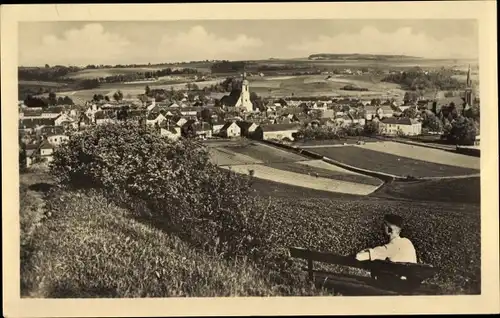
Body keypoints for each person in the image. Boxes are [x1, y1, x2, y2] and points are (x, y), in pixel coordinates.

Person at [355, 214, 418, 290]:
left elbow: (359, 257)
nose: (381, 228)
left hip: (395, 287)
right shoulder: (408, 242)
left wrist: (367, 250)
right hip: (409, 285)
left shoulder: (390, 247)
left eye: (383, 226)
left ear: (389, 230)